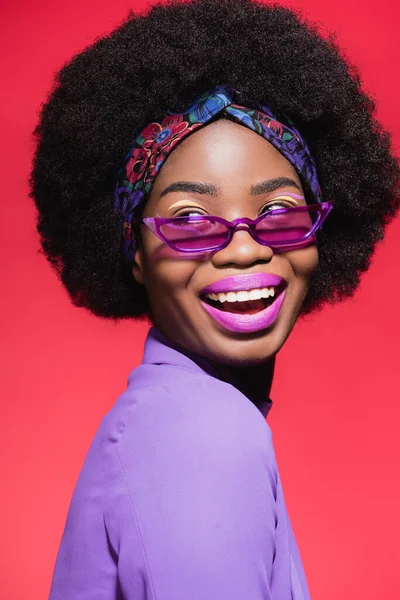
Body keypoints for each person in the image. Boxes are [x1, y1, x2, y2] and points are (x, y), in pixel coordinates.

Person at [29, 0, 400, 598]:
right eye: (191, 219)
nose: (244, 250)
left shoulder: (166, 420)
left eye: (279, 213)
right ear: (134, 250)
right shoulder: (201, 432)